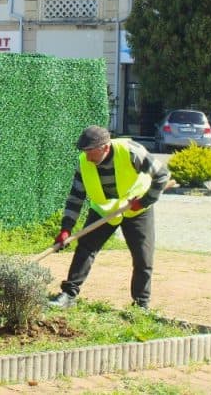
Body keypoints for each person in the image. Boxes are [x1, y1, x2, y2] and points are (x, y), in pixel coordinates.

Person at [48, 126, 171, 310]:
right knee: (85, 249)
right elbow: (75, 198)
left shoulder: (131, 151)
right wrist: (66, 228)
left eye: (90, 151)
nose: (87, 156)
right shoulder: (84, 163)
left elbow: (162, 175)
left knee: (143, 258)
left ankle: (141, 305)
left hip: (136, 208)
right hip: (105, 209)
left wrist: (144, 202)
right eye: (84, 151)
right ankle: (69, 295)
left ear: (105, 147)